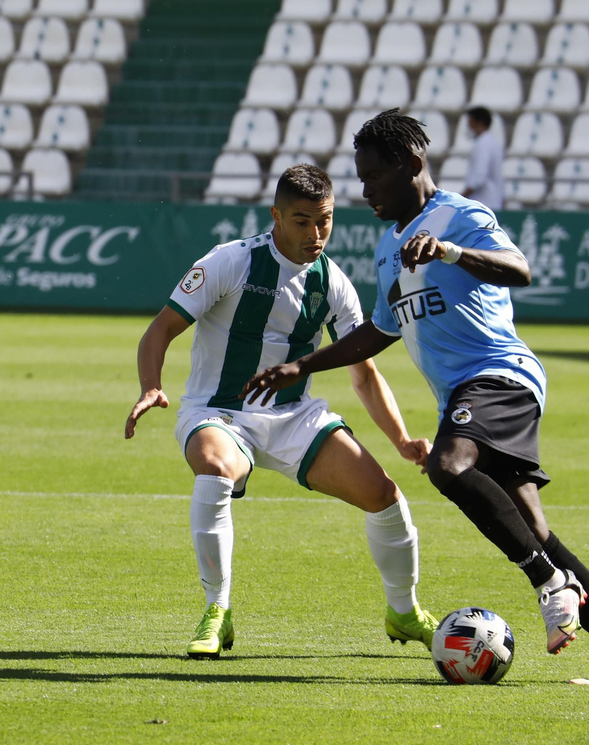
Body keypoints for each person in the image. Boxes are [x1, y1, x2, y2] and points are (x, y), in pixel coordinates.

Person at [240, 111, 589, 685]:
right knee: (533, 530)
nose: (365, 190)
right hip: (465, 395)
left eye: (374, 176)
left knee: (448, 465)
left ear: (411, 165)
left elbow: (519, 269)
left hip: (500, 376)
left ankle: (549, 582)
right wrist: (303, 364)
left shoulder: (462, 216)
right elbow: (380, 329)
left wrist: (449, 252)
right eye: (360, 179)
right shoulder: (390, 247)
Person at [126, 163, 439, 659]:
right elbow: (160, 328)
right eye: (302, 221)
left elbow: (363, 373)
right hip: (220, 411)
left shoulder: (333, 283)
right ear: (275, 215)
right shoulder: (230, 261)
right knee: (215, 468)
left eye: (325, 220)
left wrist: (401, 440)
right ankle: (217, 609)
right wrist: (151, 387)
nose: (316, 234)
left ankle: (403, 610)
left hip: (295, 417)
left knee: (384, 496)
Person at [461, 106, 505, 213]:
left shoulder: (483, 144)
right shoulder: (490, 141)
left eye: (470, 122)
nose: (469, 126)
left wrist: (463, 197)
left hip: (483, 203)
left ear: (479, 122)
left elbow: (479, 175)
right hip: (491, 201)